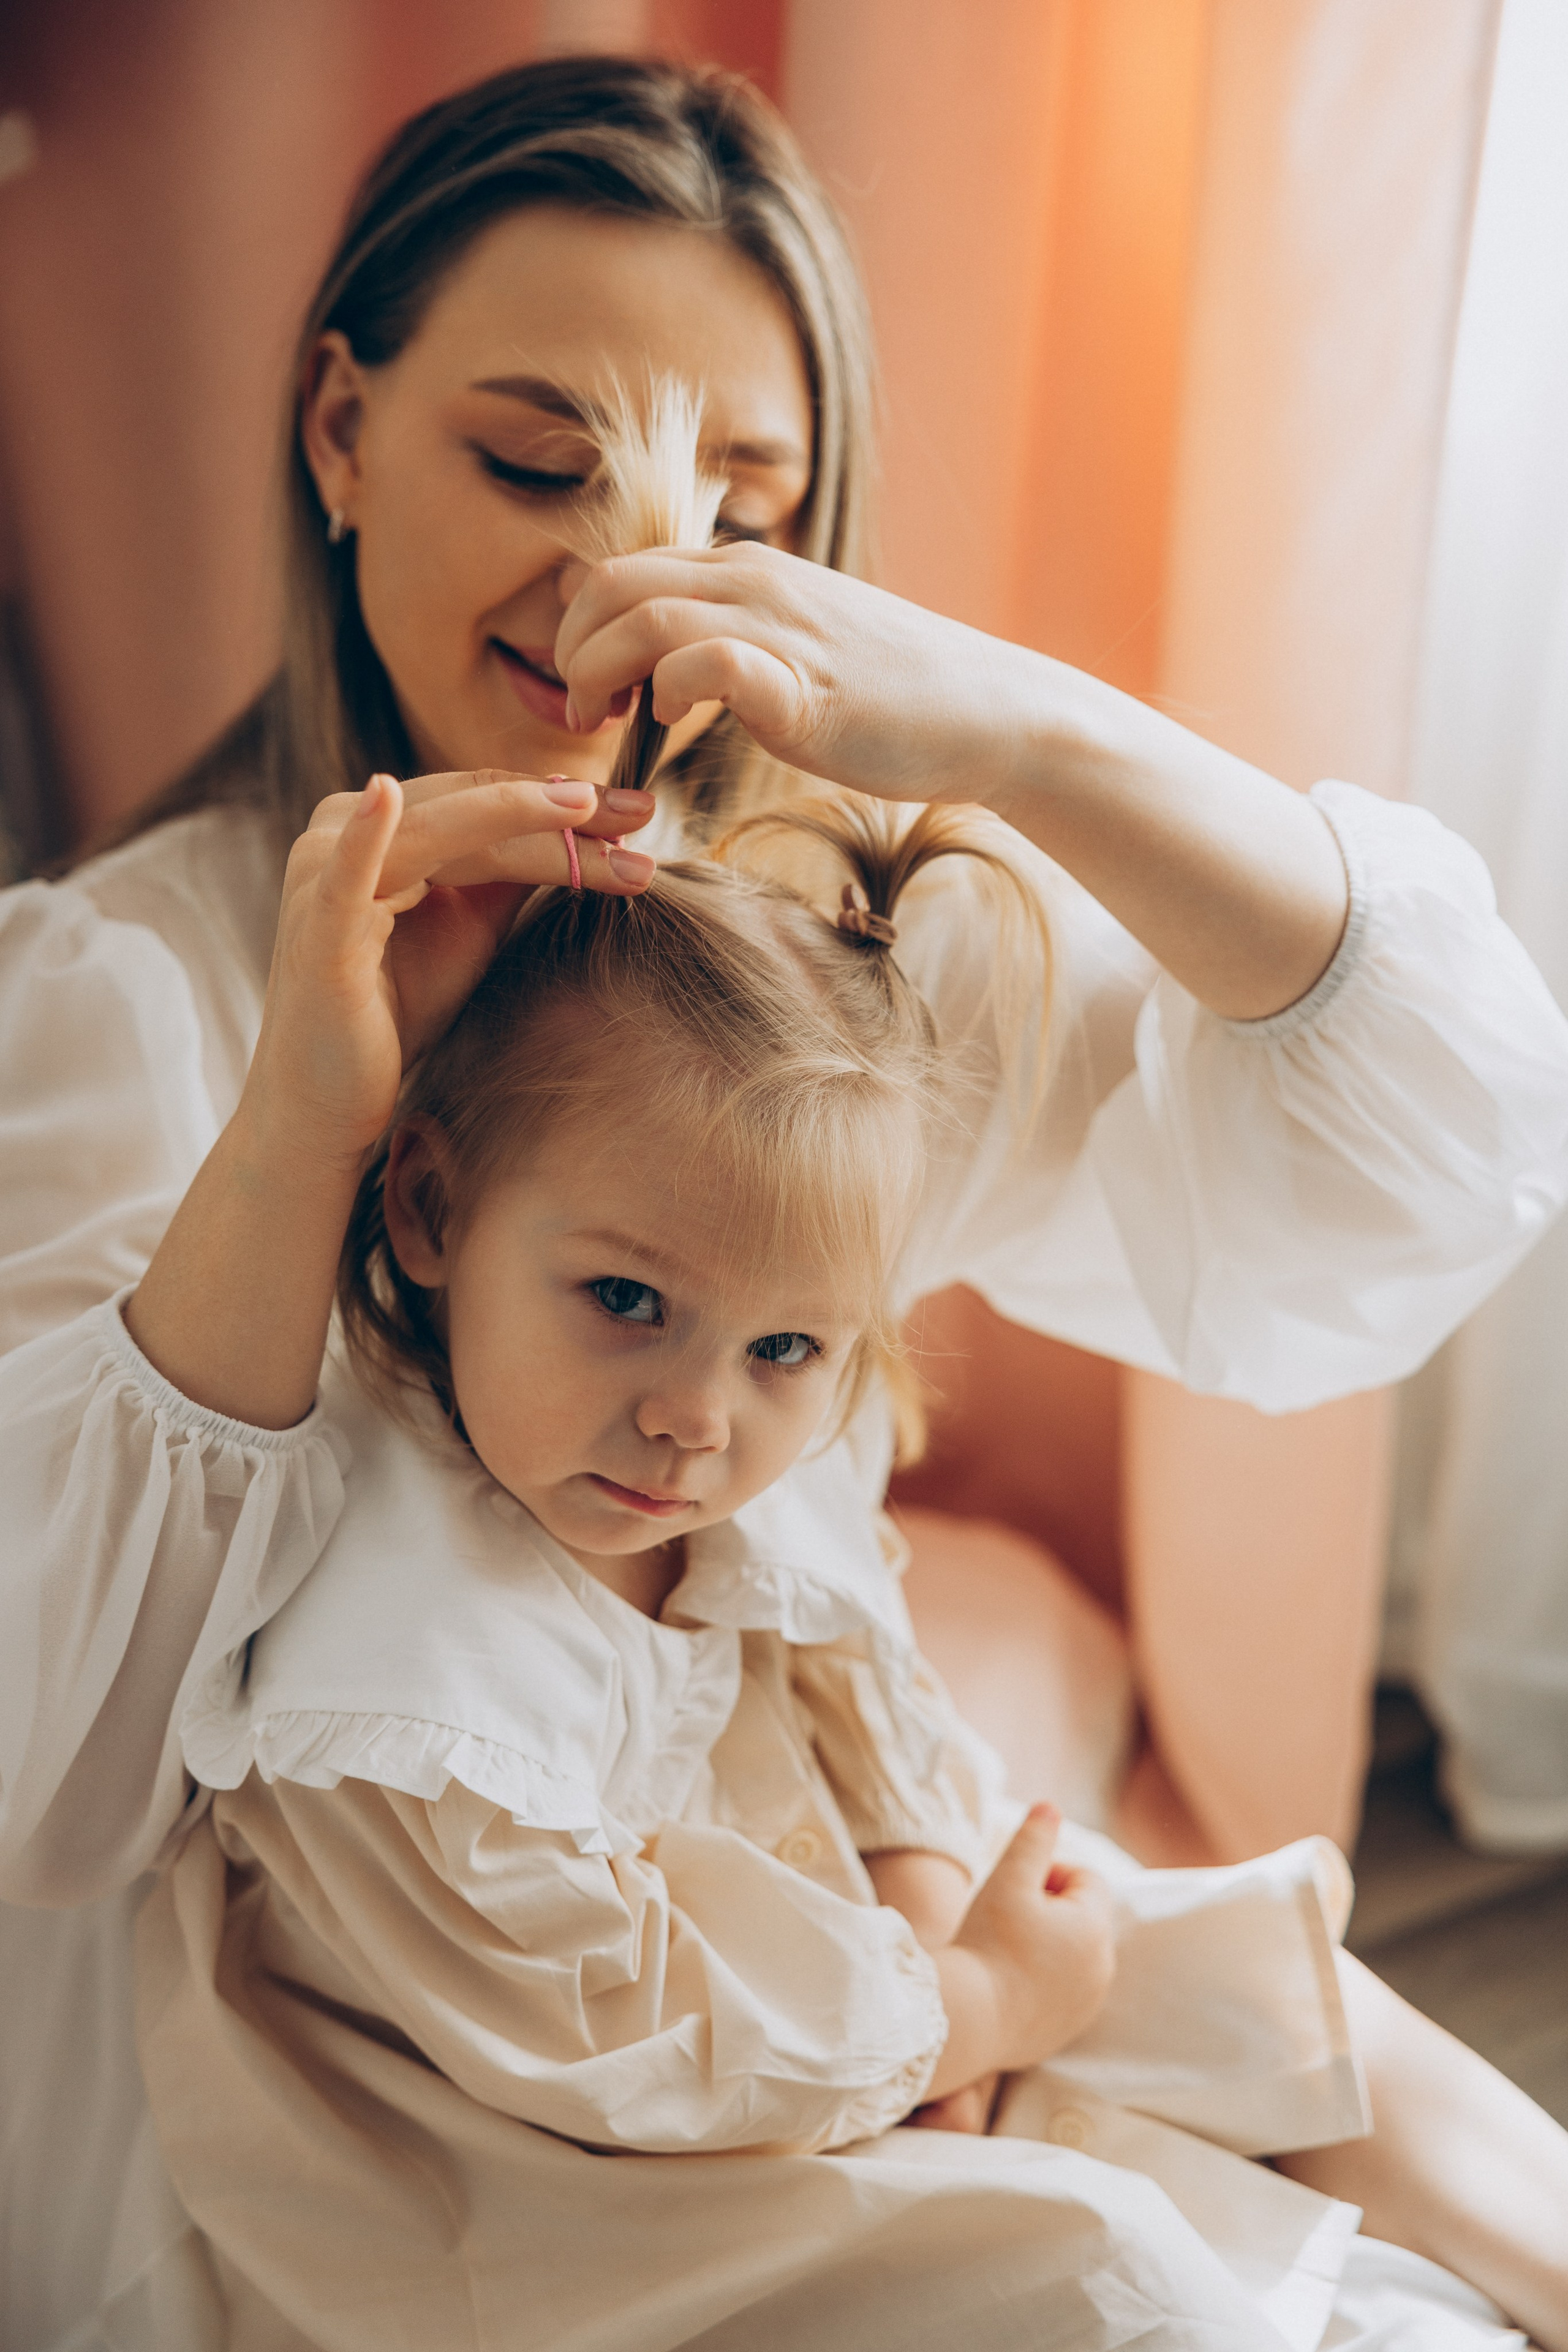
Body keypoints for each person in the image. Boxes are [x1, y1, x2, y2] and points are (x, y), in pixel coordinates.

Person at [2, 51, 1567, 2350]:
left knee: (1327, 2044)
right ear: (339, 430)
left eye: (744, 507)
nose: (618, 567)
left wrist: (1028, 730)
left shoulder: (783, 951)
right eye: (532, 460)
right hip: (403, 2093)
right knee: (1172, 2279)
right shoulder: (121, 991)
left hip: (790, 1938)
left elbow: (1414, 1171)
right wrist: (300, 1130)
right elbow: (51, 1745)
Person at [29, 743, 1565, 2348]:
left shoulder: (734, 1447)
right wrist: (969, 2007)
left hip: (805, 1985)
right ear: (424, 1212)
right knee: (1109, 2274)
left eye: (786, 1352)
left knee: (1228, 1970)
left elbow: (853, 1684)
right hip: (549, 2175)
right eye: (626, 1304)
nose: (698, 1418)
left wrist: (930, 1917)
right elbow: (635, 2038)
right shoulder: (405, 1686)